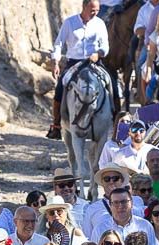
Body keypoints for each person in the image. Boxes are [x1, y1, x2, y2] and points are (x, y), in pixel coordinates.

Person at [46, 0, 110, 140]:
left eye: (97, 10)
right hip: (74, 63)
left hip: (94, 62)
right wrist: (55, 62)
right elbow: (59, 44)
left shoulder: (100, 24)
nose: (95, 13)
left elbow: (105, 46)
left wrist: (98, 54)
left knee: (111, 84)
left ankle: (113, 119)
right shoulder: (69, 23)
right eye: (92, 10)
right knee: (60, 88)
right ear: (84, 6)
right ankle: (56, 125)